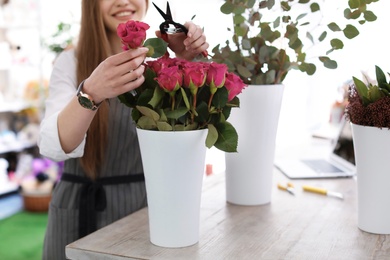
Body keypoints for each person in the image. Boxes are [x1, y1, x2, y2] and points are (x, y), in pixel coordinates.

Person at [38, 0, 209, 259]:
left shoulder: (158, 60)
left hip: (147, 208)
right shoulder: (70, 61)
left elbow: (194, 127)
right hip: (80, 214)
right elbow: (55, 145)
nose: (123, 1)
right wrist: (91, 93)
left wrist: (184, 60)